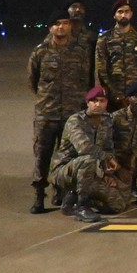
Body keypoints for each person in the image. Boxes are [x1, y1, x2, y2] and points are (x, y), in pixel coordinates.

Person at [27, 14, 92, 213]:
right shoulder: (40, 52)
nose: (61, 27)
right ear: (50, 28)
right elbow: (33, 80)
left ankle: (62, 191)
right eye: (56, 24)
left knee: (68, 155)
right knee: (42, 155)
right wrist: (46, 100)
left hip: (71, 113)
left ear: (70, 26)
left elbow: (85, 80)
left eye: (64, 23)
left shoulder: (79, 52)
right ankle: (39, 196)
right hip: (47, 113)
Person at [50, 86, 114, 222]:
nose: (98, 104)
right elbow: (84, 148)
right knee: (88, 159)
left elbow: (108, 147)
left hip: (88, 171)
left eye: (102, 101)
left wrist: (108, 171)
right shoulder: (75, 121)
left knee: (117, 205)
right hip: (63, 171)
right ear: (87, 103)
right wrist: (105, 157)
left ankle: (72, 198)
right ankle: (82, 206)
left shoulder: (107, 121)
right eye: (94, 101)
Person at [96, 0, 137, 110]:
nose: (123, 15)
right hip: (113, 94)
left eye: (127, 11)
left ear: (131, 14)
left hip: (135, 93)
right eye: (120, 12)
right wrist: (114, 94)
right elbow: (102, 69)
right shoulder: (105, 38)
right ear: (114, 15)